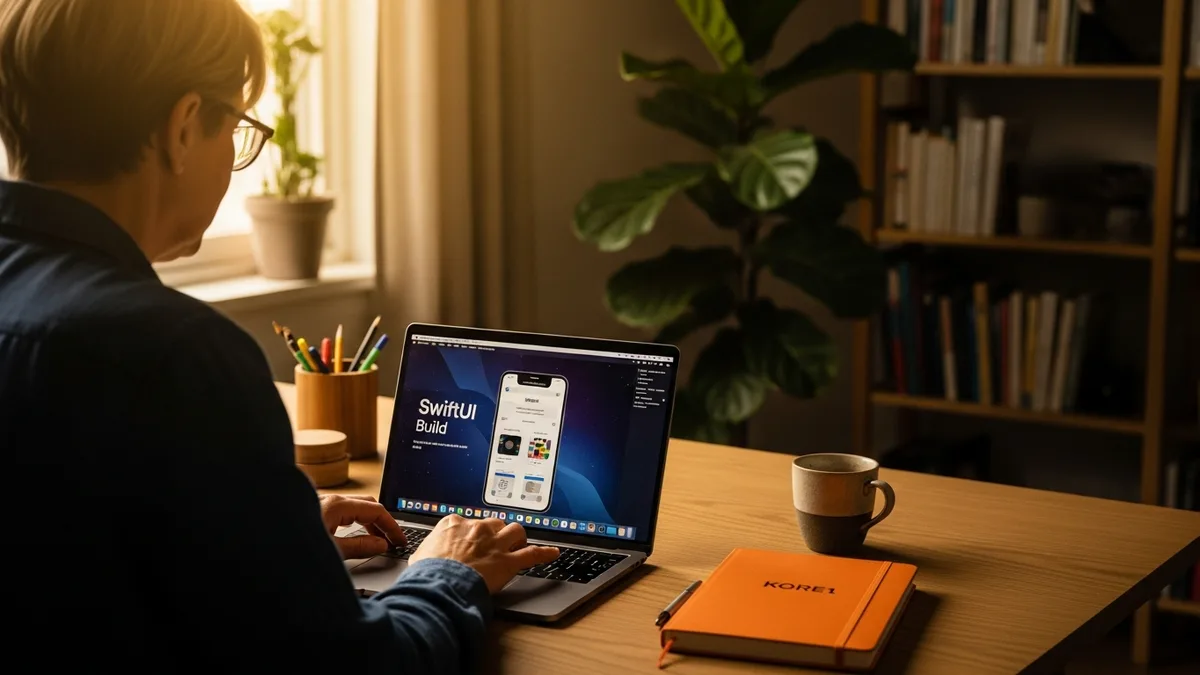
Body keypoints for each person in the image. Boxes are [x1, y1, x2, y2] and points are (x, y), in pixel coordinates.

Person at [0, 1, 558, 671]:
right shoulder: (177, 356)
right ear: (182, 129)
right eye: (235, 128)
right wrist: (448, 570)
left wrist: (264, 541)